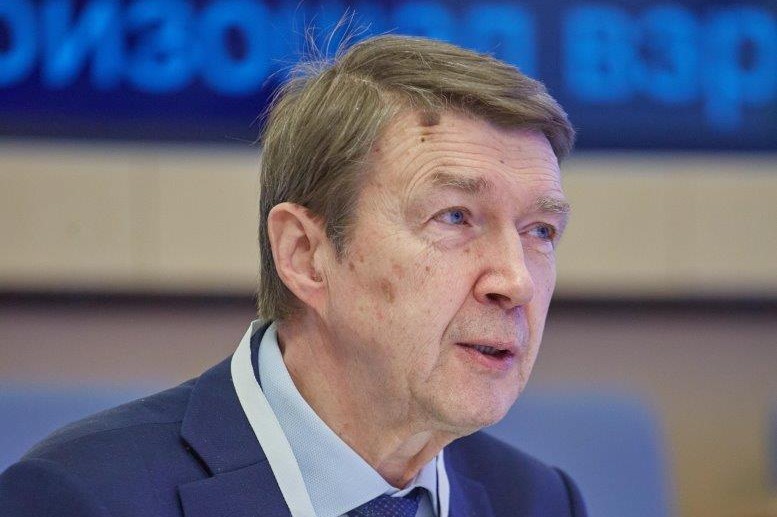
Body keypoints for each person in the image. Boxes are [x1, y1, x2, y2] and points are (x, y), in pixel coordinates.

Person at [0, 34, 585, 516]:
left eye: (540, 231)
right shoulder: (83, 497)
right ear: (305, 254)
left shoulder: (540, 501)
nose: (516, 281)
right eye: (454, 217)